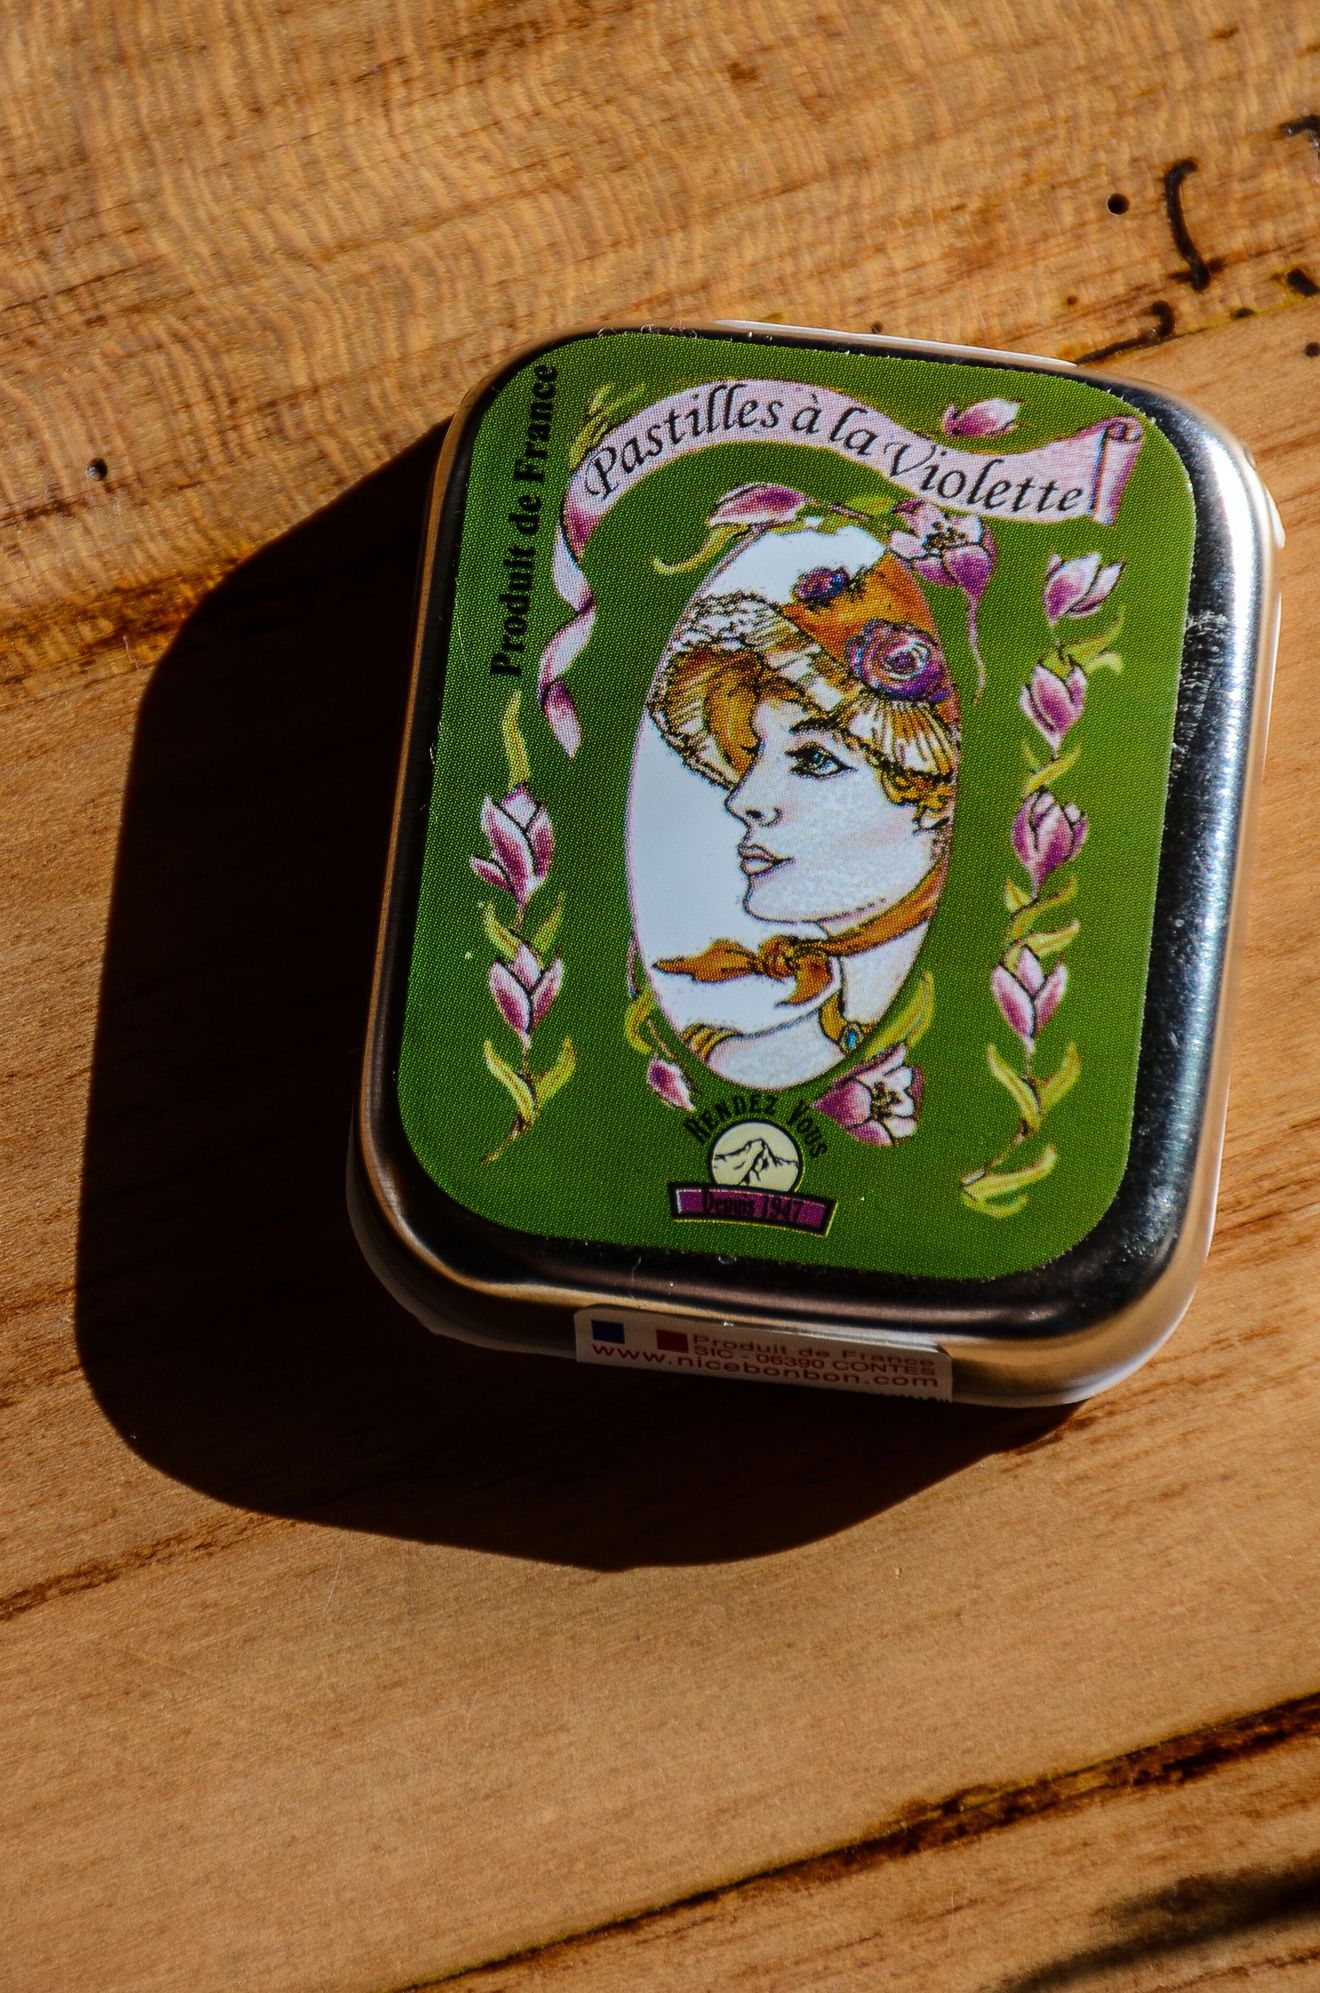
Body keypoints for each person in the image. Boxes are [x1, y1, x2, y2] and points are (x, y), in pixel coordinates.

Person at [646, 543, 958, 1087]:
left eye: (815, 760)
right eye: (753, 752)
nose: (742, 800)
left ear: (932, 800)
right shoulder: (731, 1059)